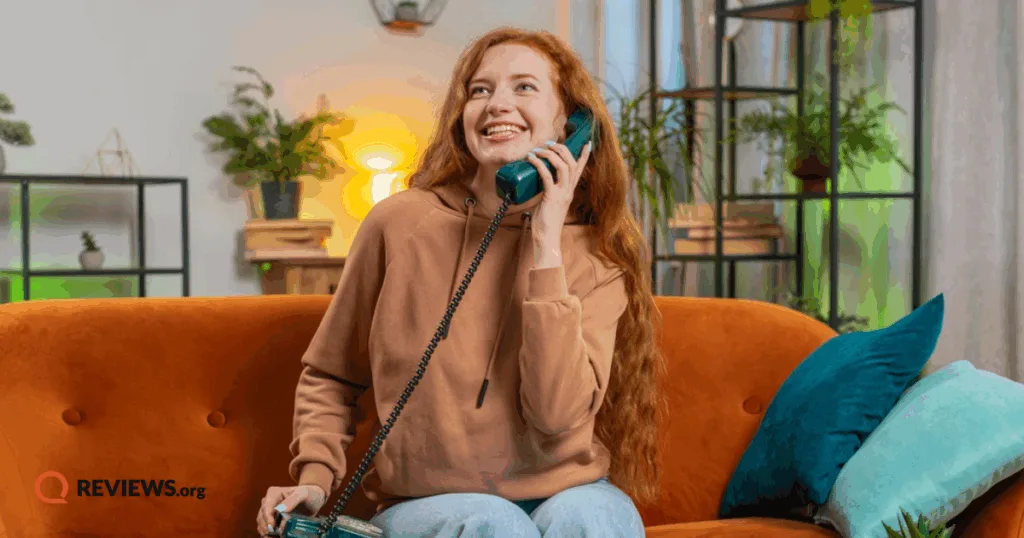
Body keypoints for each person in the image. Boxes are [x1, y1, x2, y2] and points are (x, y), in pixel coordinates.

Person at [257, 26, 666, 537]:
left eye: (524, 87)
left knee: (593, 516)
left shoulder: (598, 253)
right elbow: (333, 375)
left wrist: (546, 245)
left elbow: (557, 415)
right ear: (462, 115)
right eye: (480, 90)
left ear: (570, 125)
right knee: (492, 524)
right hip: (431, 503)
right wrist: (315, 479)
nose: (497, 103)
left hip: (568, 489)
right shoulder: (398, 224)